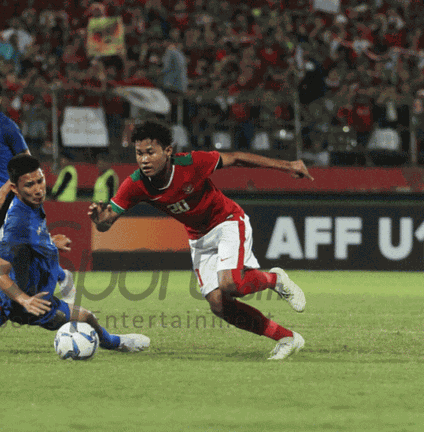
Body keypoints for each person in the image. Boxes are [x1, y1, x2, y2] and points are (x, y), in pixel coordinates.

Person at [88, 120, 313, 360]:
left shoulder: (191, 163)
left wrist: (287, 165)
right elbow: (105, 223)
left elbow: (236, 158)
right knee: (218, 305)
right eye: (139, 153)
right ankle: (286, 338)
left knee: (231, 284)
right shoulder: (135, 185)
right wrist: (99, 219)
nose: (144, 160)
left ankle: (274, 279)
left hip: (226, 221)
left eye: (150, 153)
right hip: (198, 238)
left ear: (168, 151)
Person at [0, 154, 150, 354]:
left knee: (86, 316)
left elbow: (31, 241)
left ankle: (114, 341)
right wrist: (25, 300)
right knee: (1, 309)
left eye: (40, 181)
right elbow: (0, 274)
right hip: (27, 296)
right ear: (14, 188)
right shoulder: (18, 222)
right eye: (29, 185)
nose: (39, 189)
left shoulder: (32, 208)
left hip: (37, 290)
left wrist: (50, 242)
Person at [0, 71, 76, 302]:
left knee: (29, 248)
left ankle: (62, 276)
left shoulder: (7, 127)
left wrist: (7, 188)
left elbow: (27, 161)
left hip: (15, 192)